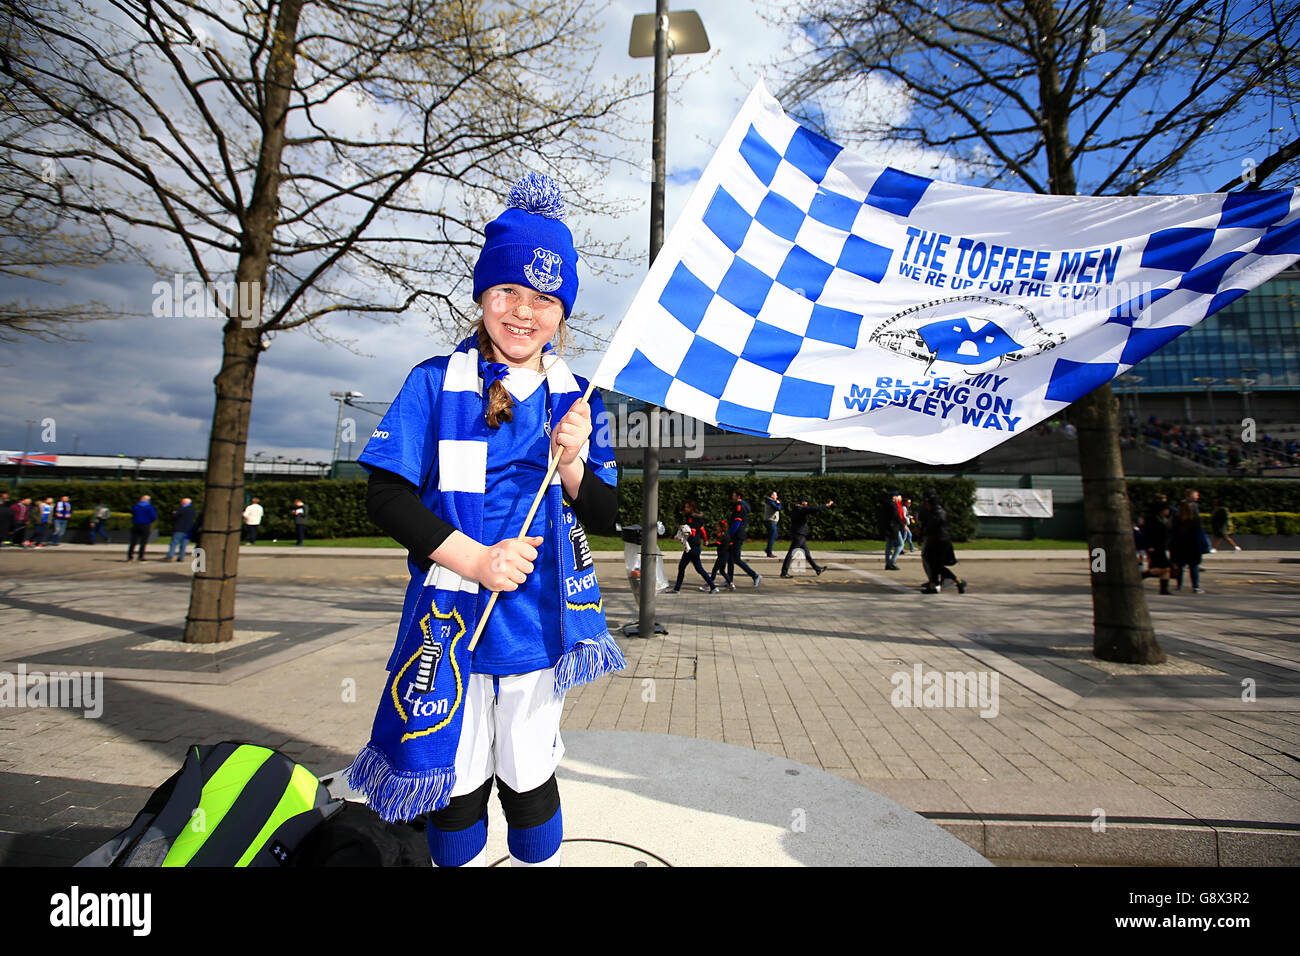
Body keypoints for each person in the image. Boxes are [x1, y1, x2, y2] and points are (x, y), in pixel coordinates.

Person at [344, 174, 623, 868]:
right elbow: (384, 496)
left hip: (537, 620)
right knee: (457, 785)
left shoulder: (579, 399)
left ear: (563, 313)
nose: (523, 312)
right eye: (507, 292)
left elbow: (608, 516)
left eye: (544, 298)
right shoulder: (434, 382)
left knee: (528, 778)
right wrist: (472, 558)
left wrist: (572, 463)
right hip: (451, 621)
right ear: (481, 296)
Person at [918, 487, 964, 594]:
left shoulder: (938, 513)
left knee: (937, 565)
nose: (924, 503)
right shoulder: (932, 512)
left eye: (925, 500)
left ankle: (957, 581)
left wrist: (923, 533)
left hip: (940, 542)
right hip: (935, 541)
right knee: (933, 565)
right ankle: (935, 585)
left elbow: (932, 528)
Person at [668, 500, 717, 593]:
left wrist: (683, 530)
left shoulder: (691, 518)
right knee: (695, 568)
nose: (685, 509)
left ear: (691, 508)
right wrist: (705, 539)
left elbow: (692, 531)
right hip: (695, 546)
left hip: (692, 546)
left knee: (686, 567)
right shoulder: (698, 518)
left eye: (687, 507)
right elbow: (702, 529)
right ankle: (712, 586)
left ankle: (713, 586)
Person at [781, 496, 833, 577]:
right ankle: (784, 573)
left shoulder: (795, 509)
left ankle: (817, 569)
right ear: (802, 502)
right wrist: (826, 505)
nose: (807, 503)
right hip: (799, 535)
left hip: (797, 534)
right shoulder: (802, 509)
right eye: (806, 501)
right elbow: (815, 508)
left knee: (807, 553)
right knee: (791, 553)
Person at [726, 490, 761, 588]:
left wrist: (729, 533)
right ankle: (729, 580)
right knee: (730, 558)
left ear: (738, 496)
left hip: (737, 535)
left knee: (736, 559)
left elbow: (737, 522)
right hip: (738, 534)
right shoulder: (744, 505)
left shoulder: (739, 507)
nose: (732, 496)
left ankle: (755, 575)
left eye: (733, 494)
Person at [1169, 500, 1206, 594]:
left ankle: (1179, 585)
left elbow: (1172, 533)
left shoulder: (1176, 519)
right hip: (1193, 546)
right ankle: (1195, 587)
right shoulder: (1196, 519)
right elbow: (1198, 535)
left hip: (1179, 545)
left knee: (1180, 566)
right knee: (1193, 567)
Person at [1142, 494, 1173, 595]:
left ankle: (1164, 589)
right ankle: (1143, 575)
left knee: (1166, 568)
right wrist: (1149, 546)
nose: (1168, 511)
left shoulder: (1162, 520)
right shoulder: (1152, 520)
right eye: (1166, 509)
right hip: (1155, 547)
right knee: (1164, 567)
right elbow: (1148, 534)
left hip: (1161, 546)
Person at [127, 494, 156, 562]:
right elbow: (153, 516)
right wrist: (150, 521)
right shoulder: (149, 507)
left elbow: (133, 514)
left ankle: (130, 556)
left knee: (133, 541)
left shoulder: (136, 506)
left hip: (136, 524)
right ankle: (141, 556)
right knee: (143, 542)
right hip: (145, 524)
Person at [881, 491, 905, 570]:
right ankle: (892, 561)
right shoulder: (893, 505)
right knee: (900, 544)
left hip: (887, 527)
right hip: (894, 528)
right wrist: (902, 525)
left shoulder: (885, 504)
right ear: (894, 497)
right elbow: (896, 516)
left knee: (889, 546)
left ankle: (888, 563)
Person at [709, 518, 732, 589]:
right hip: (725, 555)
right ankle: (731, 583)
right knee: (722, 571)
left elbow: (717, 544)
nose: (717, 528)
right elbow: (731, 544)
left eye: (718, 526)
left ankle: (709, 584)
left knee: (714, 570)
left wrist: (708, 545)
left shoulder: (722, 536)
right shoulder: (727, 535)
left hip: (722, 556)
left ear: (721, 528)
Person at [763, 491, 782, 557]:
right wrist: (779, 503)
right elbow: (778, 508)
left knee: (775, 535)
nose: (776, 497)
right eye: (775, 495)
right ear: (772, 496)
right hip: (770, 521)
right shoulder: (770, 501)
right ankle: (769, 552)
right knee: (772, 536)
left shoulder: (771, 501)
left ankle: (768, 549)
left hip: (772, 521)